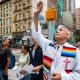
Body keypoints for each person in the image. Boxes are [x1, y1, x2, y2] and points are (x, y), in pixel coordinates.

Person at [31, 1, 80, 80]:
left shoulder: (75, 51)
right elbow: (37, 35)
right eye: (57, 30)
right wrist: (36, 15)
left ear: (67, 35)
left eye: (61, 30)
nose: (57, 31)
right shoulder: (49, 45)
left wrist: (62, 77)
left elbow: (78, 74)